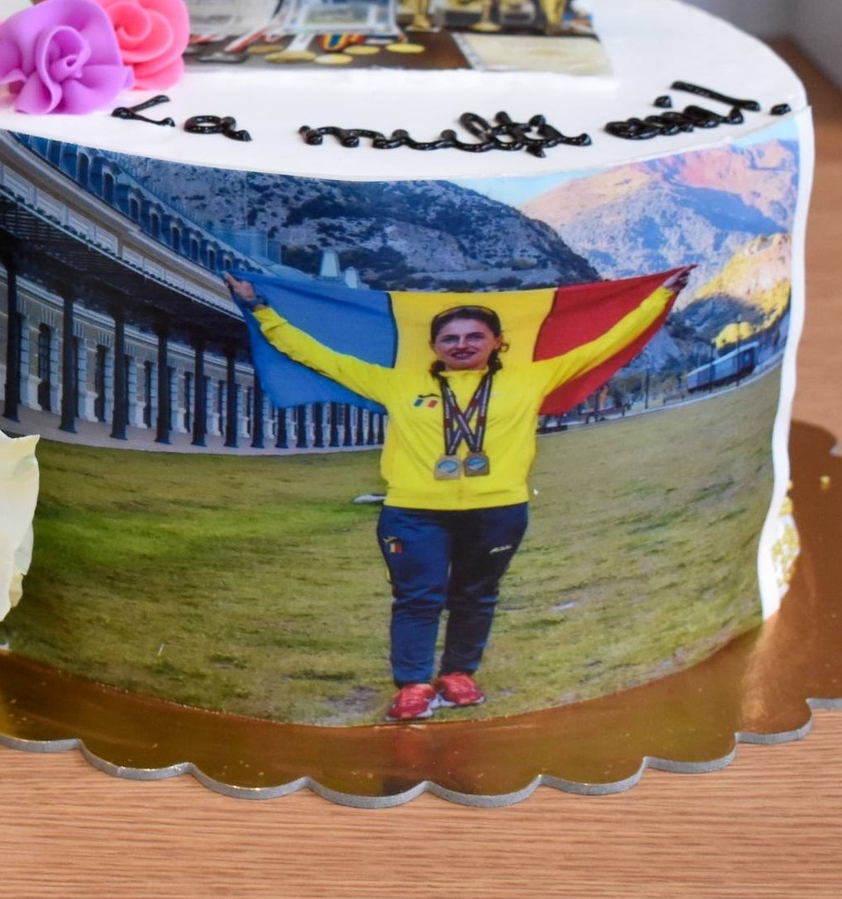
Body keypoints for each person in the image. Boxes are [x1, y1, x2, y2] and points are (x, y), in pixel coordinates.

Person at [225, 271, 689, 722]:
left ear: (497, 342)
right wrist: (259, 308)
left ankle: (458, 675)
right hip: (414, 512)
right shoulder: (396, 383)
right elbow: (316, 354)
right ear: (433, 346)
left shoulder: (533, 377)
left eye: (474, 336)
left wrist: (659, 297)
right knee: (417, 598)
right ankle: (413, 686)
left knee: (477, 595)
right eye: (449, 338)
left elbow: (605, 343)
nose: (461, 345)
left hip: (498, 510)